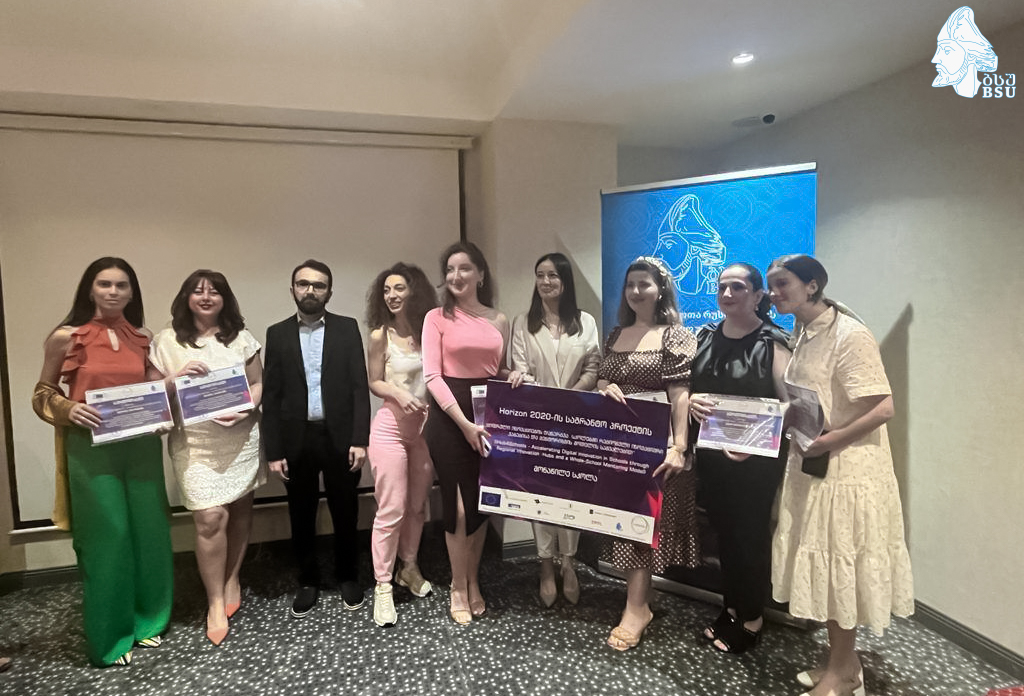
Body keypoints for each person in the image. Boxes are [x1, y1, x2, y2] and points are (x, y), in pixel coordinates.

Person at [766, 254, 913, 696]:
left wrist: (829, 441)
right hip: (814, 465)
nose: (773, 293)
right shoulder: (804, 332)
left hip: (846, 472)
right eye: (771, 284)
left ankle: (843, 675)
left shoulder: (850, 335)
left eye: (783, 283)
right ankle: (842, 664)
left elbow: (883, 408)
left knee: (837, 568)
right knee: (827, 571)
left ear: (812, 285)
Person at [31, 257, 173, 667]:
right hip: (91, 450)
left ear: (132, 292)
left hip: (141, 448)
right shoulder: (66, 337)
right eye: (104, 284)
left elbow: (152, 390)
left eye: (121, 285)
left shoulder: (142, 337)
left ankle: (148, 620)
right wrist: (67, 408)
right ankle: (110, 636)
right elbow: (41, 393)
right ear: (90, 290)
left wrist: (174, 395)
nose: (113, 292)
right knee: (107, 540)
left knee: (149, 534)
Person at [150, 270, 266, 645]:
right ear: (186, 297)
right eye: (198, 291)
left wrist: (246, 408)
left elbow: (258, 383)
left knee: (241, 508)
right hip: (195, 444)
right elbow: (151, 395)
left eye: (214, 292)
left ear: (224, 299)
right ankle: (215, 602)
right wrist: (176, 378)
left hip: (240, 438)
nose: (206, 297)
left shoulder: (241, 338)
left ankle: (232, 578)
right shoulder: (166, 341)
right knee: (210, 517)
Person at [687, 263, 791, 653]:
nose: (727, 294)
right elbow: (689, 391)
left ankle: (751, 617)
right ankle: (731, 606)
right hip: (714, 456)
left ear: (758, 295)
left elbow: (791, 405)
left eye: (738, 287)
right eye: (722, 287)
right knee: (724, 533)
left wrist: (753, 441)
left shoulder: (772, 342)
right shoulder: (704, 338)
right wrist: (692, 400)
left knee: (749, 536)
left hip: (756, 461)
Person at [597, 256, 698, 651]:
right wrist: (605, 386)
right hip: (621, 447)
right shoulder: (616, 333)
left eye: (644, 284)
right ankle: (639, 599)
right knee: (627, 523)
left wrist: (679, 447)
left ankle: (636, 609)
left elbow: (680, 394)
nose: (636, 291)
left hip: (658, 448)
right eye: (630, 284)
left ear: (661, 289)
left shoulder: (675, 336)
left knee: (644, 526)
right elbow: (604, 377)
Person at [263, 259, 371, 617]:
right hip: (296, 439)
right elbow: (272, 396)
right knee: (301, 512)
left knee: (346, 510)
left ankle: (347, 575)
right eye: (303, 284)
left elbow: (359, 388)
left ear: (329, 292)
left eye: (319, 285)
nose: (310, 290)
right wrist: (274, 451)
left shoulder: (347, 328)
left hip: (339, 437)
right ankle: (307, 580)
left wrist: (360, 439)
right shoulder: (277, 334)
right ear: (292, 289)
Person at [422, 242, 509, 625]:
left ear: (481, 274)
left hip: (488, 416)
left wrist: (513, 375)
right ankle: (457, 586)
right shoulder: (436, 317)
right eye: (450, 269)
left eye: (464, 268)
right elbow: (432, 376)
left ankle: (473, 580)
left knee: (481, 503)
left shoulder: (499, 319)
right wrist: (464, 424)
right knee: (458, 507)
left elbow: (495, 368)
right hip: (450, 419)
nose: (455, 276)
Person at [507, 252, 600, 606]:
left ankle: (569, 563)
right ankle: (546, 565)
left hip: (576, 421)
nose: (546, 282)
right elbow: (520, 369)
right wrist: (535, 391)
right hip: (538, 423)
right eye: (540, 275)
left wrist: (570, 398)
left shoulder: (585, 321)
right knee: (541, 494)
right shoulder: (522, 323)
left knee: (571, 494)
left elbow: (593, 366)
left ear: (565, 281)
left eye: (553, 275)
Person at [364, 263, 438, 627]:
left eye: (398, 288)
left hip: (422, 434)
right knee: (391, 509)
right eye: (386, 290)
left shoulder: (430, 332)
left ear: (414, 291)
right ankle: (382, 585)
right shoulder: (381, 335)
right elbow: (374, 380)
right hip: (390, 431)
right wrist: (398, 393)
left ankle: (408, 568)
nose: (391, 296)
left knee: (418, 507)